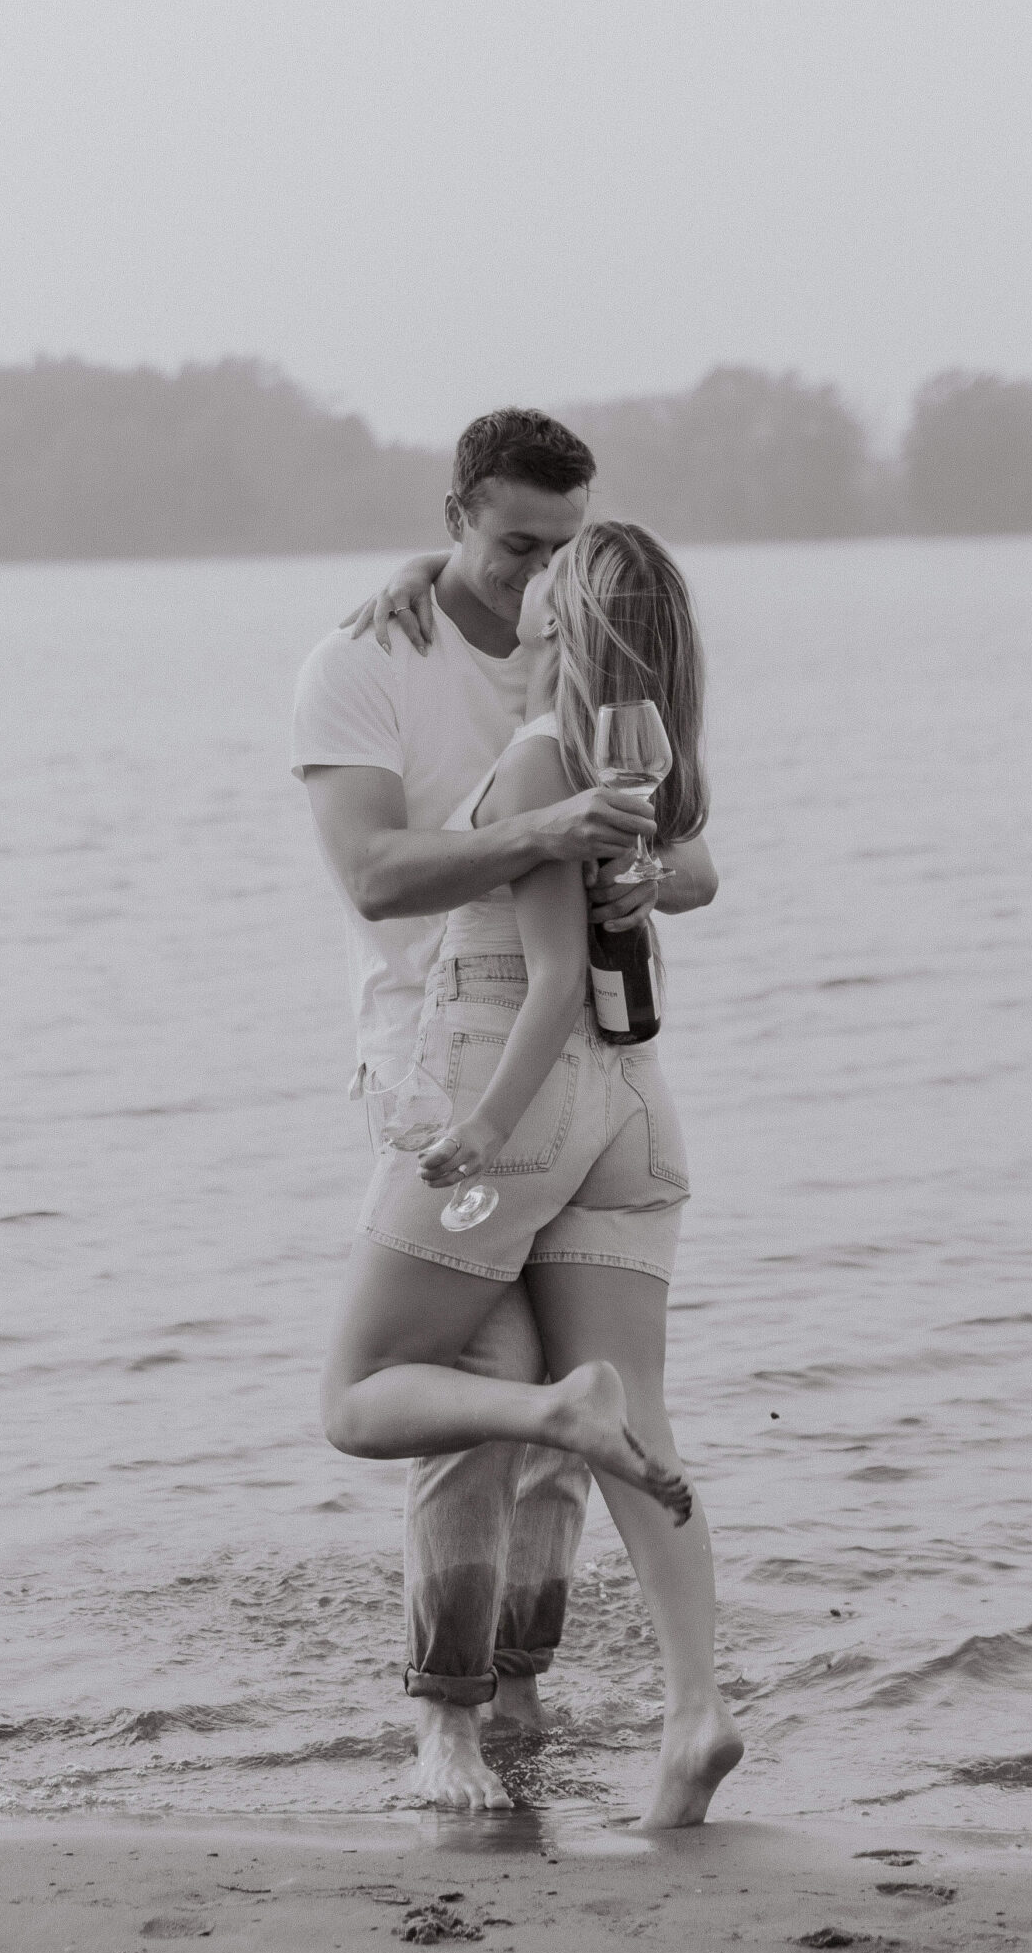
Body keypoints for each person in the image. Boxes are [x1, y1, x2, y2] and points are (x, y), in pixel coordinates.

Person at [291, 410, 716, 1810]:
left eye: (563, 542)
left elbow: (680, 847)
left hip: (539, 1061)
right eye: (519, 541)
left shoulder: (571, 644)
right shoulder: (365, 660)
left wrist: (649, 873)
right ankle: (464, 1723)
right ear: (458, 514)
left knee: (545, 1419)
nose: (544, 565)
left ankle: (521, 1702)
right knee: (507, 1415)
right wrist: (549, 835)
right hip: (453, 1052)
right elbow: (371, 878)